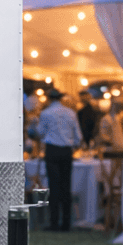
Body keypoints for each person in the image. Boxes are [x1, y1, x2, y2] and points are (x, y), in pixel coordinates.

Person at [31, 87, 81, 231]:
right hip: (66, 151)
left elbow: (40, 133)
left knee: (54, 186)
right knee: (66, 186)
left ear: (49, 98)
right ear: (60, 98)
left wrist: (34, 127)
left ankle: (54, 222)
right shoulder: (71, 113)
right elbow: (78, 137)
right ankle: (66, 223)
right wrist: (73, 145)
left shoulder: (46, 113)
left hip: (52, 151)